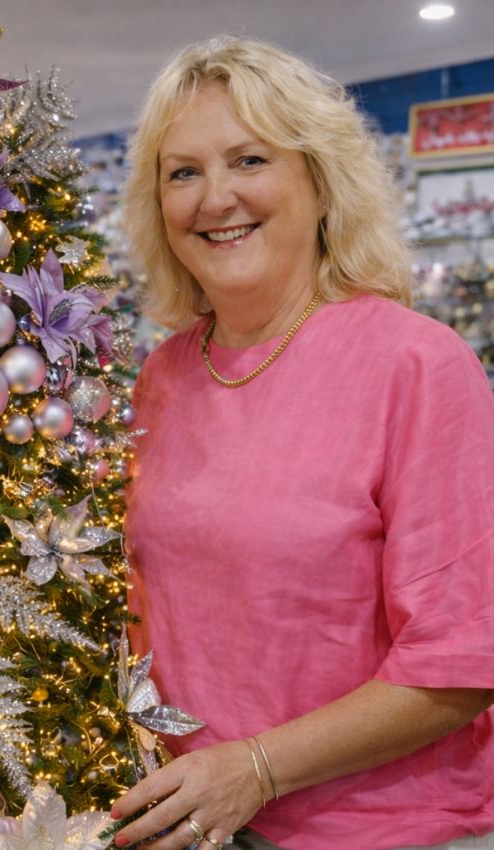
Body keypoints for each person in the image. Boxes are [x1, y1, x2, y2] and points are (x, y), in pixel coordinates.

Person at [111, 37, 494, 850]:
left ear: (320, 182)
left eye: (249, 160)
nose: (215, 198)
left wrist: (256, 768)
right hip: (182, 820)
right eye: (182, 173)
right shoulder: (163, 375)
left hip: (378, 832)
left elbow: (462, 663)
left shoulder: (417, 366)